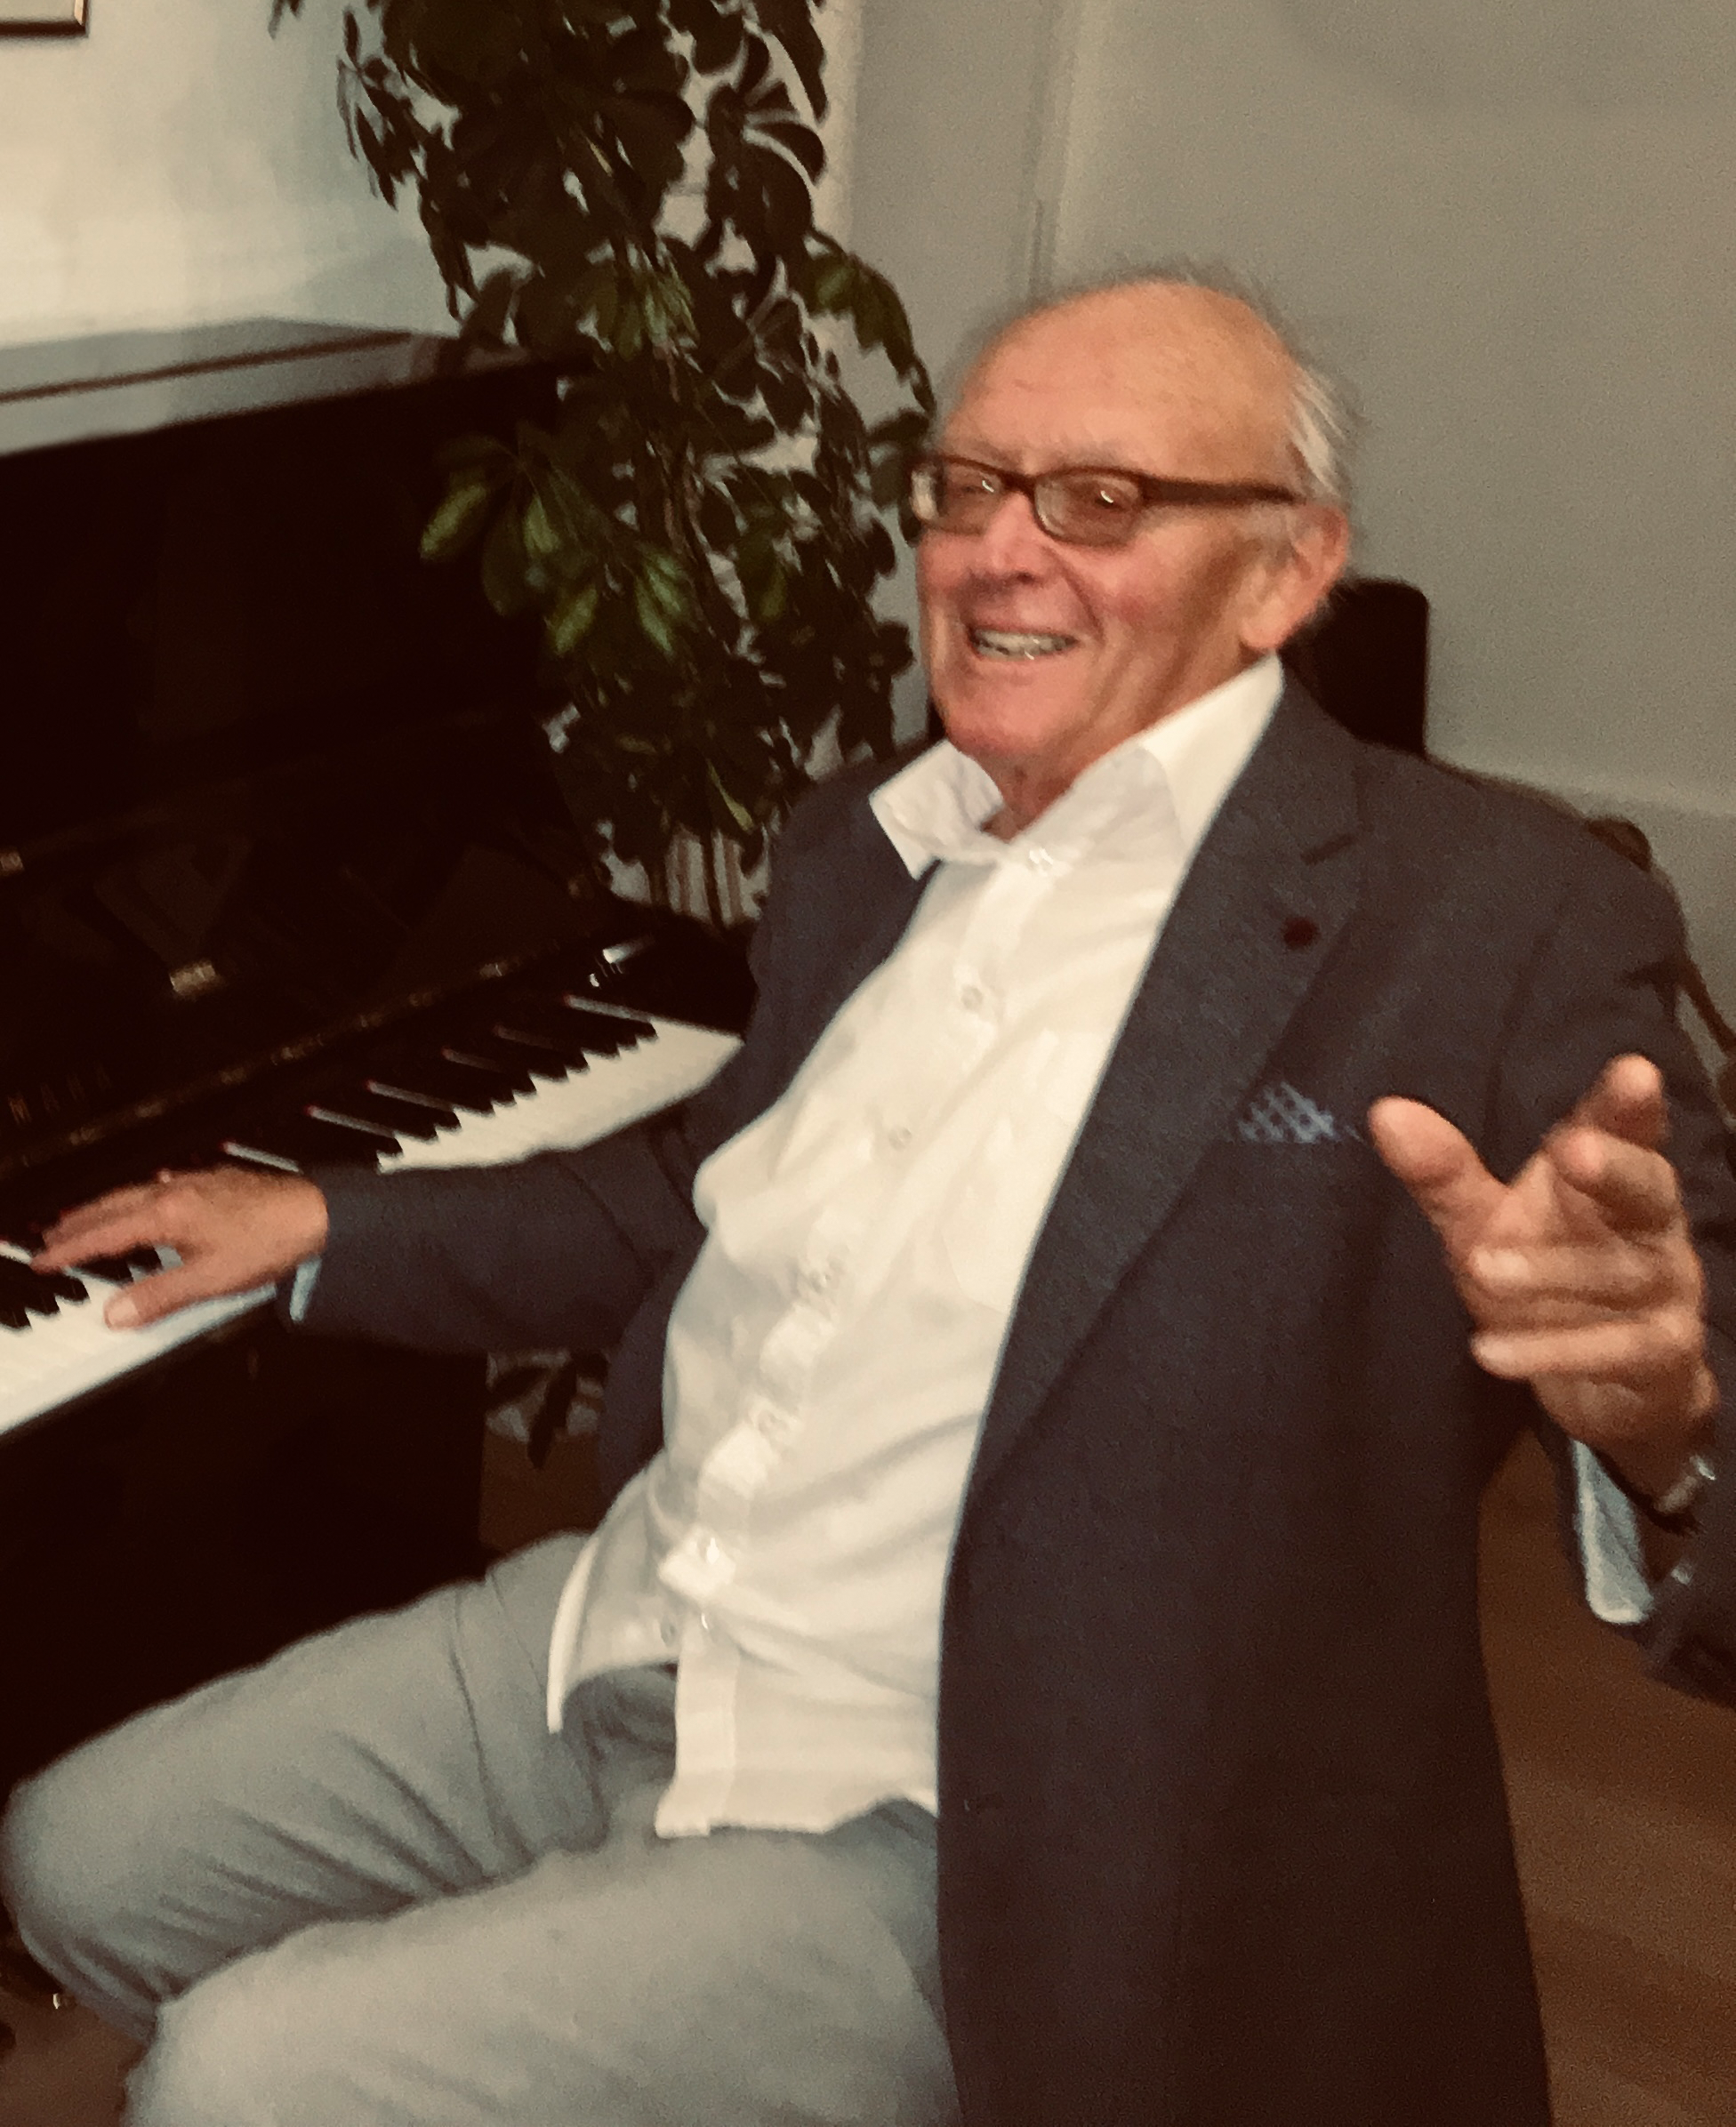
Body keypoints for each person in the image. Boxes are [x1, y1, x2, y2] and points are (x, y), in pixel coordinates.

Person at [3, 275, 1732, 2127]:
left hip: (990, 1810)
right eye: (963, 484)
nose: (997, 551)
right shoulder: (868, 842)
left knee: (234, 2080)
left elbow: (1695, 1334)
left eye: (1100, 499)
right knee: (70, 1862)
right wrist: (329, 1225)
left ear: (1286, 571)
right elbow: (695, 1202)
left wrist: (1666, 1418)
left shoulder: (1491, 920)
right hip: (642, 1623)